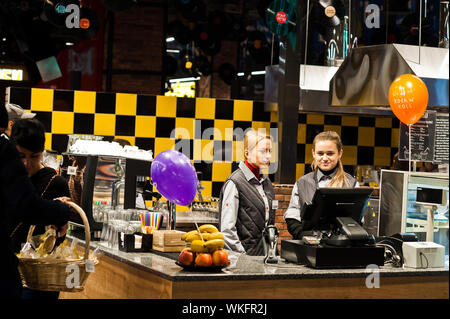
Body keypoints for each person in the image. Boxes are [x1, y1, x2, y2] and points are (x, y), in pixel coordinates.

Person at [0, 104, 70, 299]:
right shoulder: (9, 177)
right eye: (20, 156)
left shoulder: (54, 182)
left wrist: (59, 228)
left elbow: (57, 239)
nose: (26, 163)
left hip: (37, 279)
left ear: (43, 153)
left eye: (34, 156)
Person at [284, 131, 359, 239]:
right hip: (307, 249)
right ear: (313, 153)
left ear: (340, 153)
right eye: (320, 153)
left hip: (340, 249)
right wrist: (304, 235)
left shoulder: (351, 184)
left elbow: (358, 221)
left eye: (330, 153)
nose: (324, 158)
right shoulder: (302, 183)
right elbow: (292, 216)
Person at [219, 129, 275, 256]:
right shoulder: (234, 182)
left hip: (265, 257)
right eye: (263, 151)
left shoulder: (266, 182)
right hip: (243, 260)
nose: (268, 156)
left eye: (270, 151)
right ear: (247, 153)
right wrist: (243, 257)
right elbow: (227, 231)